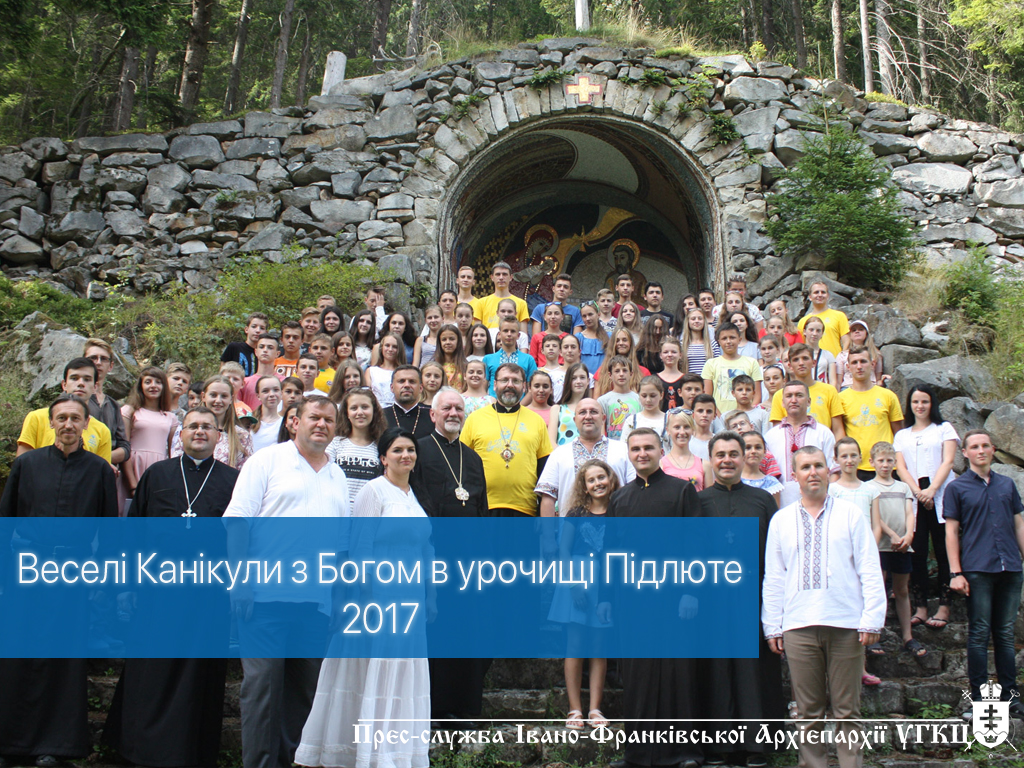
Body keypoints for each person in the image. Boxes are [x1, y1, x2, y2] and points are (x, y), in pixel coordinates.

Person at [104, 406, 238, 768]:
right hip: (157, 589)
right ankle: (140, 748)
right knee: (152, 667)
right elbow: (135, 531)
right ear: (180, 435)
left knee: (199, 671)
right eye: (192, 426)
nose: (199, 432)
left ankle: (190, 751)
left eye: (207, 427)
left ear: (218, 436)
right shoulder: (158, 474)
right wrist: (126, 584)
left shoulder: (233, 480)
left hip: (208, 593)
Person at [224, 396, 349, 768]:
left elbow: (340, 546)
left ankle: (290, 761)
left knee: (304, 694)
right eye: (314, 417)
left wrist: (338, 597)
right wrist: (239, 582)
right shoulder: (266, 461)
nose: (321, 425)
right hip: (265, 598)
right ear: (295, 422)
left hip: (315, 603)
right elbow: (238, 522)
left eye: (329, 420)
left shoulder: (337, 475)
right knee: (262, 690)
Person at [295, 427, 431, 768]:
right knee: (373, 673)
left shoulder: (414, 496)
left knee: (401, 675)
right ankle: (363, 754)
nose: (405, 455)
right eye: (397, 450)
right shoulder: (374, 491)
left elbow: (425, 550)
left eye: (410, 449)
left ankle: (395, 755)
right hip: (380, 597)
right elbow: (361, 548)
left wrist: (431, 598)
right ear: (383, 458)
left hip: (411, 599)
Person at [0, 394, 117, 766]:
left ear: (86, 424)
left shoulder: (100, 471)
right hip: (28, 568)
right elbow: (7, 518)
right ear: (50, 423)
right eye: (62, 418)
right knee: (18, 653)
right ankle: (11, 743)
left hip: (73, 572)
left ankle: (56, 745)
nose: (68, 424)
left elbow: (108, 531)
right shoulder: (28, 464)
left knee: (63, 658)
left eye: (75, 418)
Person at [762, 447, 886, 768]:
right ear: (795, 475)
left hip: (845, 624)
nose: (813, 472)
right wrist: (772, 625)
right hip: (798, 625)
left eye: (818, 465)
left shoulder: (850, 514)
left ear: (828, 470)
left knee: (847, 711)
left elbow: (869, 567)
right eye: (805, 467)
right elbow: (774, 577)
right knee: (808, 712)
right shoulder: (781, 520)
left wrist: (872, 618)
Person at [606, 428, 702, 768]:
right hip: (632, 599)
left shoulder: (681, 491)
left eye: (648, 447)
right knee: (637, 676)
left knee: (678, 673)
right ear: (629, 454)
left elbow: (695, 542)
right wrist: (606, 598)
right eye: (636, 449)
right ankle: (638, 755)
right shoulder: (620, 498)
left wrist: (690, 590)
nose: (642, 453)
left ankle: (684, 752)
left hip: (674, 596)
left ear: (661, 450)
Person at [698, 431, 785, 767]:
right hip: (712, 599)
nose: (727, 460)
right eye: (720, 455)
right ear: (711, 460)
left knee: (754, 672)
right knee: (715, 671)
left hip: (754, 597)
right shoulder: (699, 502)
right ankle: (717, 747)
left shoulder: (762, 501)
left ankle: (756, 747)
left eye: (733, 454)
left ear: (744, 457)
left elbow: (776, 555)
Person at [410, 389, 491, 725]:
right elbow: (415, 498)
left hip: (468, 558)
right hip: (433, 552)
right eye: (446, 408)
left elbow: (480, 506)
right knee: (436, 627)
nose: (453, 413)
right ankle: (433, 705)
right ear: (433, 414)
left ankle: (463, 703)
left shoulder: (472, 458)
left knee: (467, 628)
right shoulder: (417, 451)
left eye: (459, 408)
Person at [944, 430, 1024, 716]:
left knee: (1005, 634)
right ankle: (979, 701)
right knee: (979, 634)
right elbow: (951, 532)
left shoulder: (1007, 484)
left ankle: (1011, 698)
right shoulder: (957, 488)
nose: (981, 450)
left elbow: (1018, 524)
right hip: (977, 569)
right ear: (965, 452)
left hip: (1010, 567)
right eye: (975, 446)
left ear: (993, 449)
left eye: (985, 445)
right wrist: (955, 572)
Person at [550, 459, 618, 732]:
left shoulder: (618, 512)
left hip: (605, 581)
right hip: (577, 579)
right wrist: (573, 585)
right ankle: (575, 708)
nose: (597, 483)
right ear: (584, 486)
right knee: (575, 645)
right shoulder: (576, 513)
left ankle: (595, 708)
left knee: (599, 646)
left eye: (601, 477)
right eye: (591, 480)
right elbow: (564, 551)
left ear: (610, 479)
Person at [894, 384, 959, 629]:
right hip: (915, 496)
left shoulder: (944, 428)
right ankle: (920, 607)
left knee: (944, 550)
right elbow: (901, 467)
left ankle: (945, 605)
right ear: (909, 405)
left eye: (925, 401)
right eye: (915, 402)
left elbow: (948, 461)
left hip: (941, 494)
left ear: (932, 404)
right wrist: (919, 492)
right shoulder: (902, 435)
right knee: (918, 552)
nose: (920, 406)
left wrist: (932, 490)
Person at [461, 363, 552, 516]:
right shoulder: (474, 419)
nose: (510, 385)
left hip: (525, 509)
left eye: (516, 381)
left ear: (524, 387)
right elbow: (463, 464)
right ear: (494, 385)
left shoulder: (537, 421)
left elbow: (544, 470)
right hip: (483, 507)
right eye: (504, 380)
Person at [866, 441, 923, 660]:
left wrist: (909, 535)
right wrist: (891, 534)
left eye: (889, 460)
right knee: (878, 589)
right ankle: (875, 633)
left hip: (902, 546)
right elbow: (876, 517)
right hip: (881, 546)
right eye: (880, 460)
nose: (885, 465)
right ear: (872, 462)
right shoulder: (869, 487)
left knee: (902, 590)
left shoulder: (903, 487)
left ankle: (908, 636)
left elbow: (910, 513)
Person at [536, 398, 635, 517]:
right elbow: (548, 497)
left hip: (617, 526)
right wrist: (549, 529)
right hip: (569, 527)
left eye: (593, 412)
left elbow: (634, 492)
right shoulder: (559, 454)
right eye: (582, 412)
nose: (588, 416)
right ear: (575, 420)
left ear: (603, 418)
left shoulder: (623, 450)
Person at [17, 357, 112, 461]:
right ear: (64, 385)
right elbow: (23, 463)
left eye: (87, 379)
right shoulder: (36, 418)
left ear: (95, 387)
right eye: (74, 378)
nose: (81, 383)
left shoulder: (102, 431)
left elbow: (101, 468)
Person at [764, 381, 838, 507]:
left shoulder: (824, 433)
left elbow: (833, 472)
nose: (794, 400)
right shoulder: (770, 436)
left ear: (808, 401)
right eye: (789, 396)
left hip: (818, 505)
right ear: (782, 402)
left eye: (799, 395)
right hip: (779, 505)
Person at [838, 346, 904, 480]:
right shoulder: (840, 399)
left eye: (863, 361)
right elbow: (840, 433)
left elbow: (899, 434)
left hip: (886, 466)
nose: (859, 366)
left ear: (872, 364)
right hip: (857, 467)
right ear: (848, 367)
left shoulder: (888, 396)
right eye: (854, 362)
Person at [119, 366, 178, 513]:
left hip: (158, 468)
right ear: (141, 386)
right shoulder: (129, 411)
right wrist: (132, 485)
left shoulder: (170, 417)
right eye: (148, 382)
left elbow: (173, 453)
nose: (153, 386)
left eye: (158, 382)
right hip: (132, 464)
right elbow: (124, 446)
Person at [172, 376, 252, 469]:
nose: (218, 400)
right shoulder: (189, 429)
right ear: (203, 396)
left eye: (224, 396)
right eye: (213, 395)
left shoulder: (241, 436)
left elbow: (246, 471)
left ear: (231, 399)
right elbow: (176, 464)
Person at [767, 343, 844, 436]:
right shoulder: (780, 395)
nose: (801, 363)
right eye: (796, 359)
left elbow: (838, 430)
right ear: (790, 365)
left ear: (814, 363)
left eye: (805, 358)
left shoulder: (829, 391)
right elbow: (777, 432)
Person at [327, 388, 385, 508]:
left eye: (365, 407)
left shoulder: (382, 446)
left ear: (374, 411)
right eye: (354, 408)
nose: (360, 412)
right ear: (347, 413)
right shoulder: (335, 444)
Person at [83, 339, 131, 468]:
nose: (98, 362)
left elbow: (125, 447)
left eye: (103, 359)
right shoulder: (74, 399)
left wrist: (102, 460)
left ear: (110, 366)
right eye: (93, 358)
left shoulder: (113, 405)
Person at [702, 322, 762, 414]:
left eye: (732, 337)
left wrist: (749, 415)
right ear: (719, 341)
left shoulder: (752, 363)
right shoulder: (711, 364)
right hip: (720, 416)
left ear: (739, 339)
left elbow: (757, 395)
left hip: (747, 416)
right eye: (724, 338)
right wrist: (720, 417)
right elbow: (708, 396)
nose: (728, 341)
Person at [483, 317, 537, 396]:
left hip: (521, 403)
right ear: (499, 334)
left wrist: (521, 403)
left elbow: (531, 390)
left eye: (513, 331)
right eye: (505, 331)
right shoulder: (488, 359)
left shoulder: (528, 360)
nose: (509, 334)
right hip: (494, 402)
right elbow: (482, 389)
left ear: (518, 335)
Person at [797, 280, 850, 356]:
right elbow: (801, 344)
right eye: (816, 292)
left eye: (823, 292)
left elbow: (846, 340)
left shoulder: (839, 316)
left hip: (834, 360)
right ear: (810, 297)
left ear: (828, 296)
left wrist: (842, 357)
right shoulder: (803, 321)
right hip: (812, 360)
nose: (820, 295)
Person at [475, 261, 529, 331]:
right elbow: (477, 331)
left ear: (511, 277)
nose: (501, 277)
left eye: (504, 274)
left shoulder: (521, 303)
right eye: (498, 274)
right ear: (492, 277)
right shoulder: (481, 303)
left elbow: (523, 334)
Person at [597, 356, 642, 441]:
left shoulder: (639, 399)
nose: (621, 374)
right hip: (612, 445)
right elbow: (600, 430)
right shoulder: (603, 401)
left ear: (631, 374)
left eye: (625, 370)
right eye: (617, 371)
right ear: (610, 375)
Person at [548, 362, 592, 447]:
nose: (578, 381)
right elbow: (551, 441)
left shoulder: (594, 409)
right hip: (561, 454)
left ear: (588, 381)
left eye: (582, 377)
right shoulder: (557, 409)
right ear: (568, 381)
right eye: (574, 378)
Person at [384, 365, 433, 439]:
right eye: (401, 381)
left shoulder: (433, 417)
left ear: (420, 388)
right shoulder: (380, 416)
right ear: (392, 387)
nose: (407, 385)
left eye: (412, 381)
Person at [661, 410, 704, 488]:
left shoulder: (704, 464)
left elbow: (709, 494)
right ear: (668, 430)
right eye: (677, 427)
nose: (682, 432)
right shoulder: (661, 464)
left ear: (693, 430)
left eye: (686, 427)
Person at [240, 334, 285, 409]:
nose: (265, 350)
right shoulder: (244, 383)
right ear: (256, 352)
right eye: (261, 347)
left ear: (277, 354)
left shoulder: (284, 382)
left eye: (270, 347)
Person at [740, 431, 783, 507]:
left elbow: (775, 512)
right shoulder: (732, 480)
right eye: (748, 448)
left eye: (758, 447)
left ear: (764, 452)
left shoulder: (771, 483)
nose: (753, 451)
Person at [836, 320, 883, 390]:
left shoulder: (875, 354)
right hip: (848, 387)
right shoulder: (842, 355)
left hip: (870, 387)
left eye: (861, 329)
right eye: (854, 330)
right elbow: (838, 380)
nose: (857, 332)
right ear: (850, 335)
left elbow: (878, 378)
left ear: (866, 333)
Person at [620, 376, 667, 446]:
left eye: (653, 396)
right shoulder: (632, 421)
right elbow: (624, 446)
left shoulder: (669, 420)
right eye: (644, 396)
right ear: (639, 395)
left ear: (661, 395)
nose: (648, 400)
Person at [221, 312, 269, 377]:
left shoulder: (266, 353)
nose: (258, 330)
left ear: (266, 332)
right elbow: (222, 373)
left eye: (262, 328)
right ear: (246, 329)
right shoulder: (234, 347)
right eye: (254, 326)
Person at [366, 333, 404, 407]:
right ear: (382, 348)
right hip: (376, 409)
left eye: (394, 347)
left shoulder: (404, 372)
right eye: (387, 345)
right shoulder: (371, 371)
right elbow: (367, 395)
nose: (390, 349)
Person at [680, 308, 721, 376]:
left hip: (708, 380)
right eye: (693, 319)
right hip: (688, 380)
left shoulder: (712, 344)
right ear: (688, 322)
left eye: (700, 318)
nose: (697, 321)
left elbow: (718, 365)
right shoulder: (681, 344)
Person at [249, 376, 284, 453]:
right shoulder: (249, 421)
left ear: (281, 393)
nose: (271, 394)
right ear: (258, 396)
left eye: (276, 390)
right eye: (265, 391)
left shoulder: (285, 423)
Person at [802, 316, 838, 388]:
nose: (814, 333)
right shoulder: (797, 354)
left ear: (822, 334)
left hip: (822, 391)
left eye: (818, 331)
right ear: (804, 331)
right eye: (811, 330)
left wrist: (831, 393)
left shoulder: (828, 355)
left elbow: (833, 381)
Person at [575, 303, 608, 374]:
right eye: (584, 316)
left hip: (603, 377)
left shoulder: (608, 336)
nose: (587, 318)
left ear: (598, 314)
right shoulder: (579, 337)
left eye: (590, 314)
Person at [657, 338, 687, 411]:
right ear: (660, 355)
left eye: (674, 352)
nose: (670, 355)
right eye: (666, 352)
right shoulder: (654, 379)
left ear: (680, 355)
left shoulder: (686, 379)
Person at [435, 324, 467, 391]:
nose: (448, 342)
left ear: (458, 341)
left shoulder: (466, 366)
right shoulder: (434, 366)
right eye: (444, 339)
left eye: (452, 339)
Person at [539, 334, 566, 401]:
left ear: (560, 351)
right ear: (542, 350)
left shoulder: (565, 371)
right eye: (547, 346)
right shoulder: (538, 372)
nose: (551, 348)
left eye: (554, 346)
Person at [689, 394, 717, 460]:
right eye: (700, 411)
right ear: (693, 415)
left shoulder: (718, 441)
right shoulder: (686, 440)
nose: (704, 415)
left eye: (709, 411)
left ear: (714, 415)